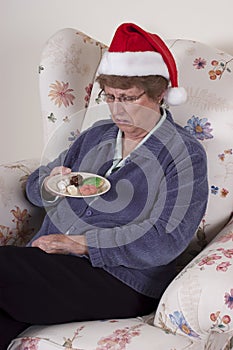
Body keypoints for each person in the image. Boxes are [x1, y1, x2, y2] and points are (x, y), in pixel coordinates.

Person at [0, 23, 208, 349]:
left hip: (122, 278)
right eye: (109, 97)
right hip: (49, 261)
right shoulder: (96, 134)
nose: (117, 109)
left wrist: (82, 245)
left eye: (128, 98)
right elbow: (37, 187)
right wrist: (50, 184)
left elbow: (166, 241)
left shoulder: (185, 154)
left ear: (160, 94)